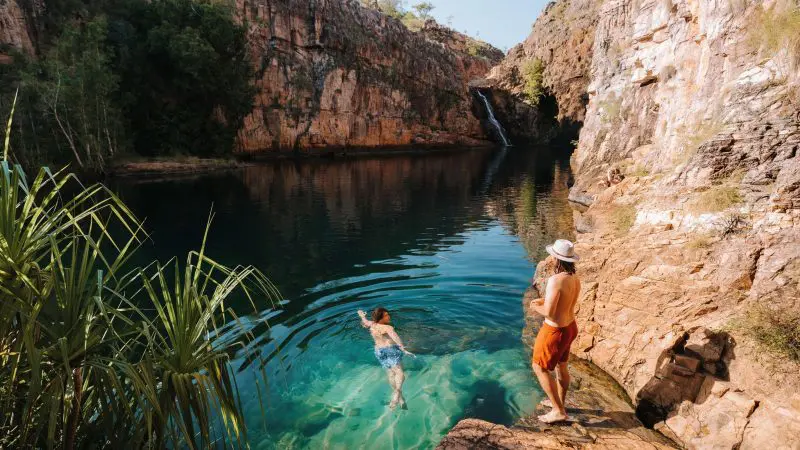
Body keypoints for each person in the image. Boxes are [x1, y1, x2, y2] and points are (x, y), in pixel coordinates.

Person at [529, 239, 581, 423]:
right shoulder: (573, 277)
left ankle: (558, 411)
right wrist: (544, 301)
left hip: (555, 331)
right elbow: (564, 303)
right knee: (562, 366)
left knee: (539, 368)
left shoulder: (555, 280)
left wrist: (534, 306)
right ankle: (559, 404)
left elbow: (550, 312)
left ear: (556, 259)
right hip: (570, 327)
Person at [357, 307, 415, 409]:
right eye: (386, 315)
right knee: (400, 373)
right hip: (390, 350)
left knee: (390, 373)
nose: (389, 316)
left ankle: (400, 398)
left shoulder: (371, 324)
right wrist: (404, 349)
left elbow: (364, 322)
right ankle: (397, 392)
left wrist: (362, 315)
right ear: (380, 318)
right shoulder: (388, 328)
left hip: (379, 351)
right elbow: (396, 339)